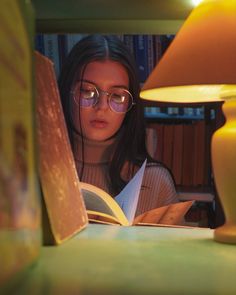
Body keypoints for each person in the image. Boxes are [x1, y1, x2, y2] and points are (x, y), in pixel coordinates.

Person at [58, 34, 179, 216]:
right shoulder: (35, 174)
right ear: (66, 92)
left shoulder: (155, 181)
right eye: (88, 91)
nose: (101, 107)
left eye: (117, 96)